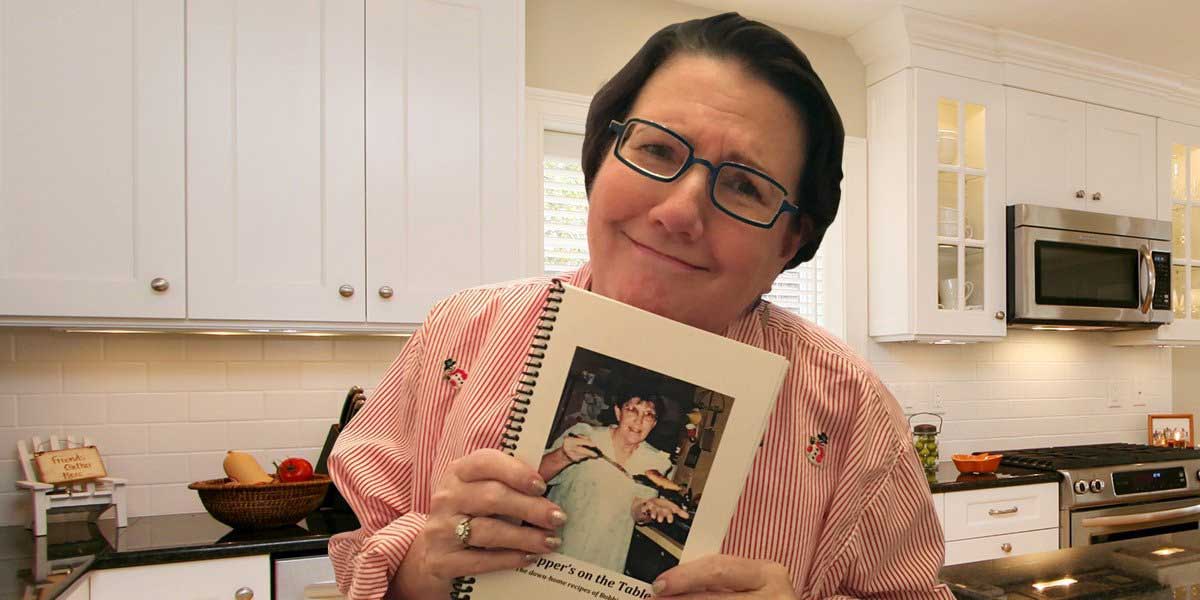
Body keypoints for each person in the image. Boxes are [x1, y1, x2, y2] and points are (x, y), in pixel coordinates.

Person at [328, 12, 951, 600]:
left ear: (790, 240)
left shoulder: (850, 410)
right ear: (600, 157)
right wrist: (421, 567)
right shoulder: (461, 334)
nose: (679, 212)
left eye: (744, 185)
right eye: (657, 150)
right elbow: (358, 553)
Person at [538, 394, 689, 573]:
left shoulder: (656, 462)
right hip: (553, 553)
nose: (639, 421)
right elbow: (536, 477)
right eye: (632, 409)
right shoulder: (585, 436)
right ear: (618, 412)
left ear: (654, 424)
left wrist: (649, 508)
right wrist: (562, 456)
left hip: (605, 564)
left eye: (648, 415)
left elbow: (637, 511)